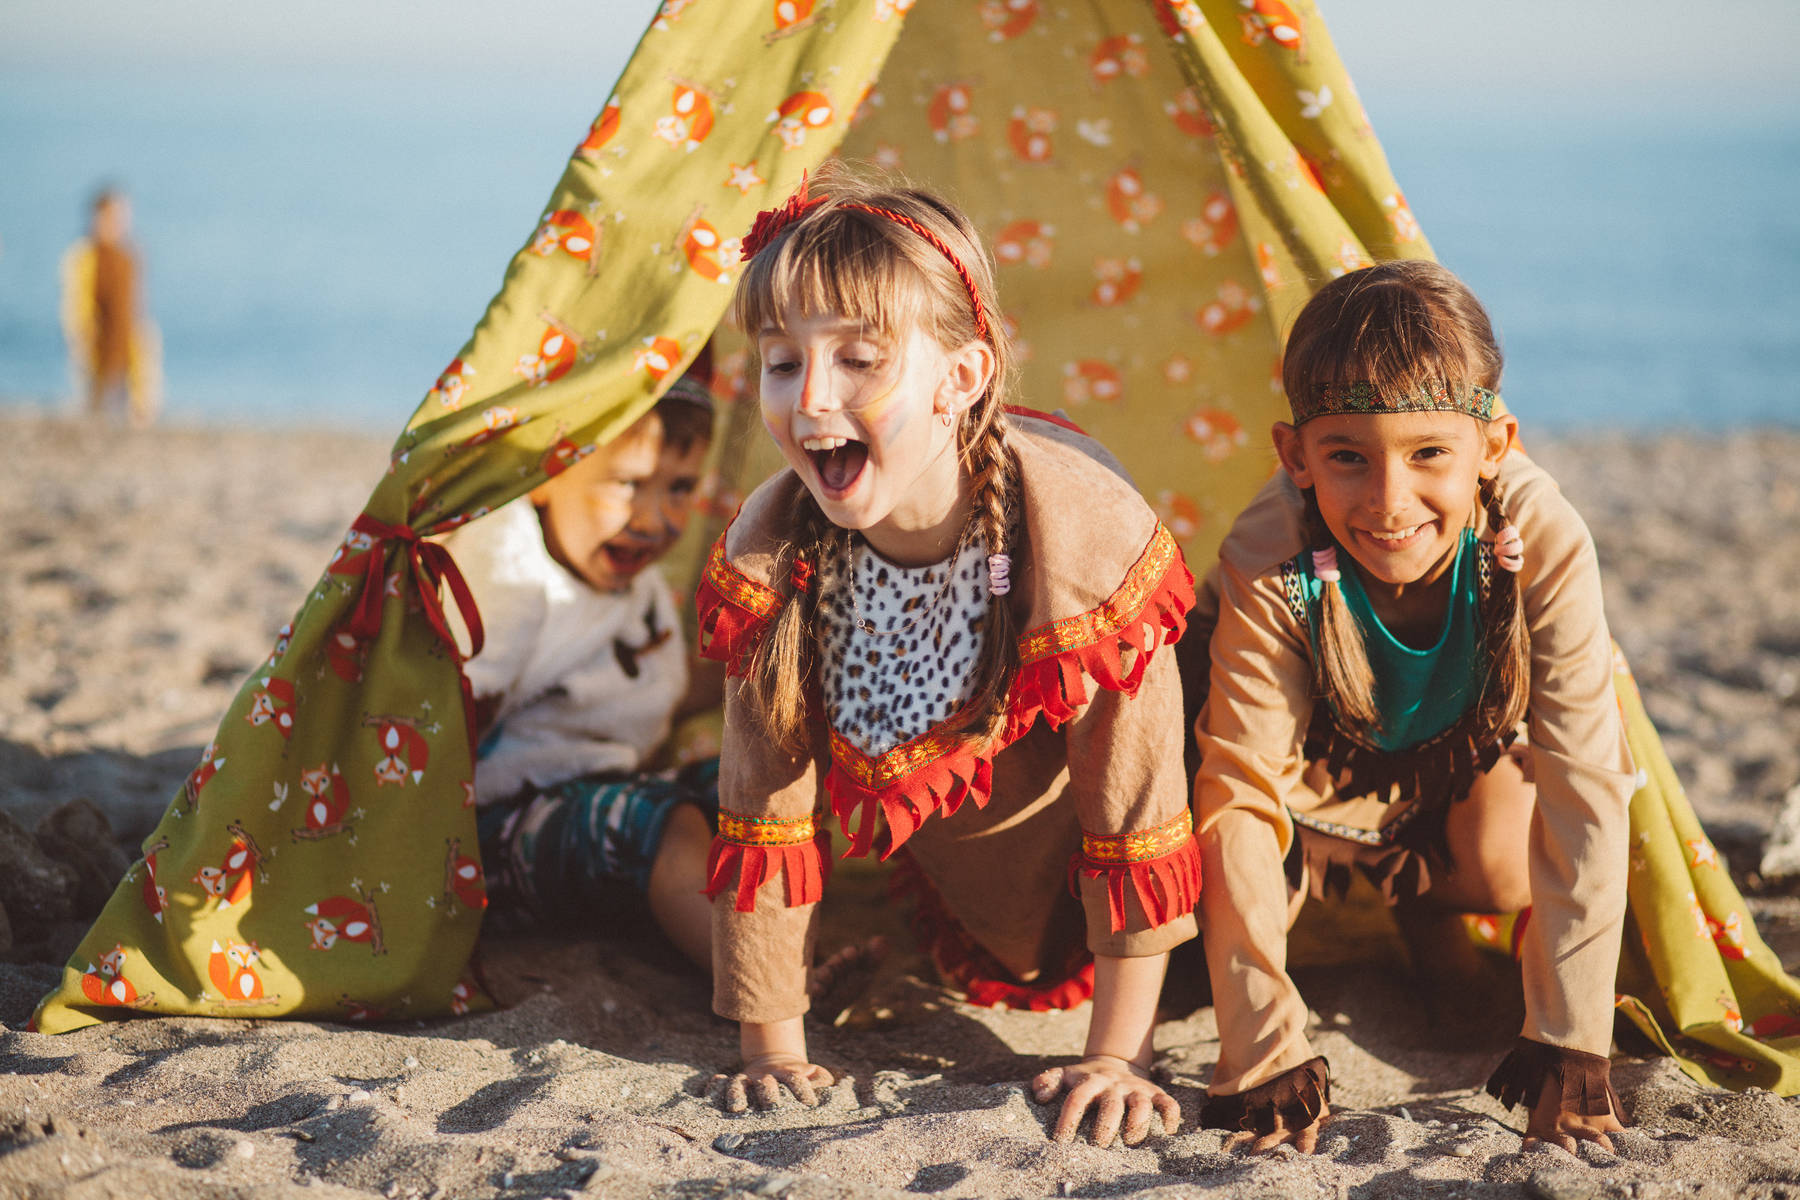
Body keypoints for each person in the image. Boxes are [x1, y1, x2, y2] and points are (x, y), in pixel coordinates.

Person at [693, 166, 1203, 1148]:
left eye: (858, 360)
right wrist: (772, 1046)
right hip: (965, 891)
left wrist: (1117, 1056)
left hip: (1141, 878)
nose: (810, 400)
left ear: (961, 378)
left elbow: (1140, 807)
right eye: (782, 363)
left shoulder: (1084, 543)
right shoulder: (775, 554)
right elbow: (762, 808)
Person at [1187, 260, 1634, 1153]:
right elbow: (1236, 791)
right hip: (1305, 782)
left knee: (1512, 866)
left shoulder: (1539, 539)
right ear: (1294, 455)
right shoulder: (1272, 554)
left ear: (1494, 447)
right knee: (1197, 934)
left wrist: (1573, 1046)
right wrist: (1263, 1049)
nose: (1389, 502)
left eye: (1430, 453)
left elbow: (1586, 779)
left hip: (1447, 765)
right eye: (1347, 457)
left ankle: (1425, 907)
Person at [444, 367, 719, 967]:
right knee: (660, 823)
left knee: (746, 785)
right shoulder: (515, 579)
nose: (652, 518)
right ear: (547, 476)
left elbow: (649, 693)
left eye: (678, 488)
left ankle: (781, 937)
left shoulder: (636, 586)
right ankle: (757, 979)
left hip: (597, 801)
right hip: (495, 834)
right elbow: (445, 723)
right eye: (627, 484)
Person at [61, 186, 160, 426]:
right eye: (112, 217)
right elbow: (75, 301)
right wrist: (81, 333)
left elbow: (136, 301)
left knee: (136, 400)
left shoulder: (129, 255)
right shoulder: (84, 256)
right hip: (96, 336)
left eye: (122, 217)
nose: (118, 224)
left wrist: (142, 333)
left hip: (127, 335)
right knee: (95, 398)